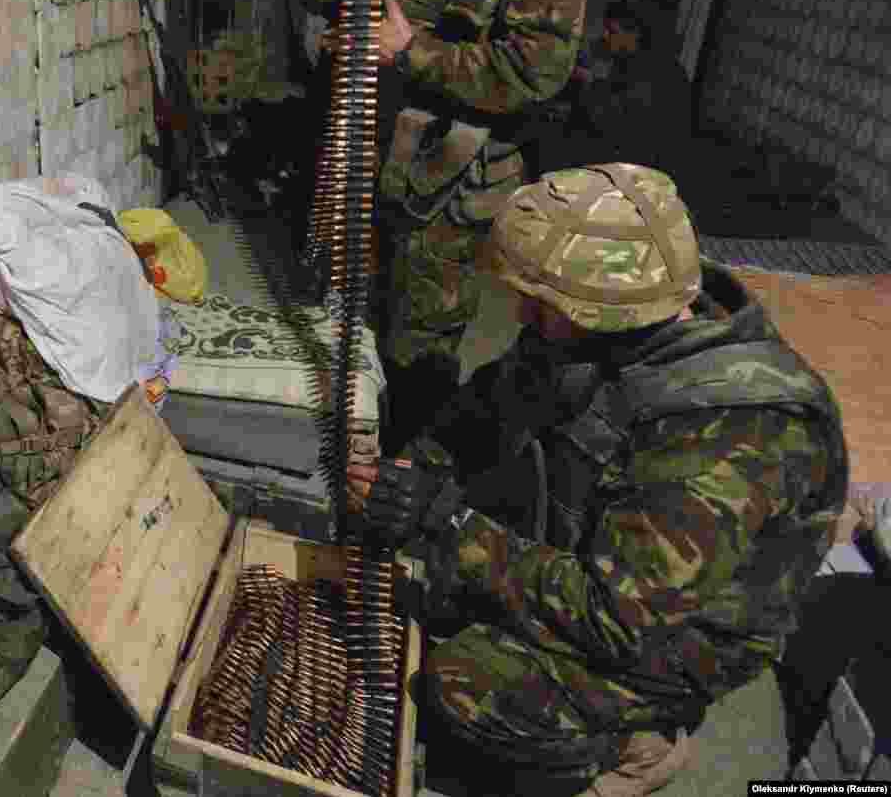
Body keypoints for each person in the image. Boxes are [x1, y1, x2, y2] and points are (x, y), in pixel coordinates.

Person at [345, 163, 848, 796]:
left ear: (603, 307)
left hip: (672, 635)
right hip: (605, 564)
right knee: (432, 592)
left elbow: (620, 618)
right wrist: (409, 472)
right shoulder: (593, 338)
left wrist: (446, 521)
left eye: (543, 301)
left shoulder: (730, 430)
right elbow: (476, 417)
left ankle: (640, 747)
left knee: (466, 682)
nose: (523, 313)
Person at [306, 0, 602, 453]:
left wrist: (411, 53)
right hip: (366, 145)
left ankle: (401, 472)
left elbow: (533, 74)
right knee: (348, 312)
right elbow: (343, 7)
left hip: (450, 175)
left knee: (419, 343)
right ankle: (348, 451)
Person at [579, 0, 694, 171]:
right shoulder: (636, 60)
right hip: (637, 153)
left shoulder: (653, 72)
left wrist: (588, 83)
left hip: (647, 168)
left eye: (611, 31)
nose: (604, 35)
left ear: (634, 34)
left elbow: (610, 123)